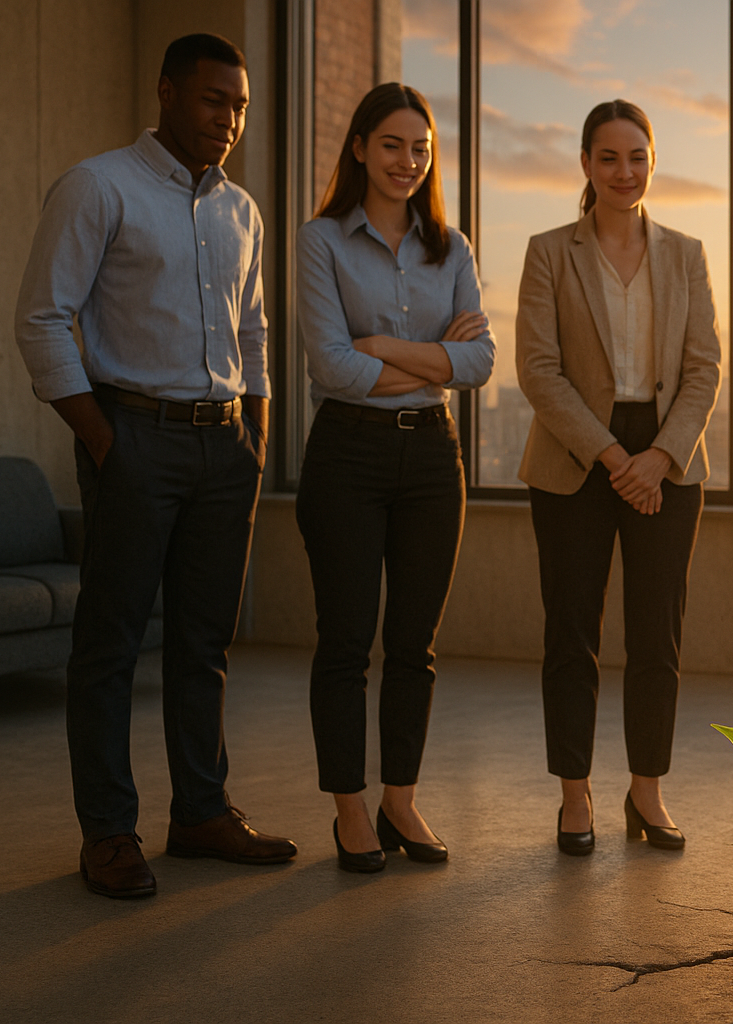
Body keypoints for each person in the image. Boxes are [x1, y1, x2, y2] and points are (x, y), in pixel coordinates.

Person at [14, 33, 296, 899]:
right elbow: (40, 320)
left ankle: (201, 812)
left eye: (241, 105)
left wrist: (254, 431)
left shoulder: (239, 210)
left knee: (205, 641)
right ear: (167, 94)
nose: (230, 119)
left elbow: (252, 332)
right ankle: (108, 832)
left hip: (224, 447)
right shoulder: (99, 186)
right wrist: (105, 441)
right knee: (110, 645)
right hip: (133, 435)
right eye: (215, 99)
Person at [295, 83, 494, 873]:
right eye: (391, 145)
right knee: (346, 640)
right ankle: (349, 808)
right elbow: (329, 367)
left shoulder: (454, 248)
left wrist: (380, 346)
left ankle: (400, 798)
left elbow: (479, 363)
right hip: (345, 455)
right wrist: (426, 360)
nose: (407, 161)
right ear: (359, 148)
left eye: (421, 148)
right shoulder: (321, 240)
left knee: (415, 642)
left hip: (432, 461)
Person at [515, 99, 721, 856]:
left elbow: (705, 367)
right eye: (609, 158)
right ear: (585, 165)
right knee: (571, 633)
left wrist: (660, 457)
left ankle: (647, 792)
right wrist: (613, 458)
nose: (624, 172)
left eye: (637, 157)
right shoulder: (547, 252)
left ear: (653, 161)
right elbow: (538, 370)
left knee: (656, 636)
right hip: (576, 455)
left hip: (666, 453)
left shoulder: (686, 253)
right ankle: (575, 796)